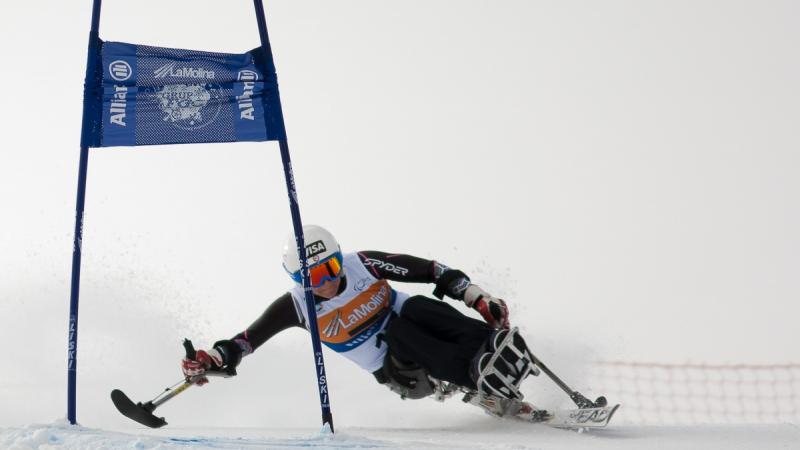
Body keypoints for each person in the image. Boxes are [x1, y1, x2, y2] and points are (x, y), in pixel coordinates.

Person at [182, 225, 536, 405]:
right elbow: (244, 342)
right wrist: (213, 358)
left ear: (340, 256)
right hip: (401, 370)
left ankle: (491, 346)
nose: (329, 280)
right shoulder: (295, 307)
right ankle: (476, 377)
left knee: (414, 307)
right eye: (314, 277)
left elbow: (430, 270)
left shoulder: (362, 264)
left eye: (332, 266)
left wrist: (477, 297)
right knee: (400, 333)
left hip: (421, 323)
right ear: (298, 281)